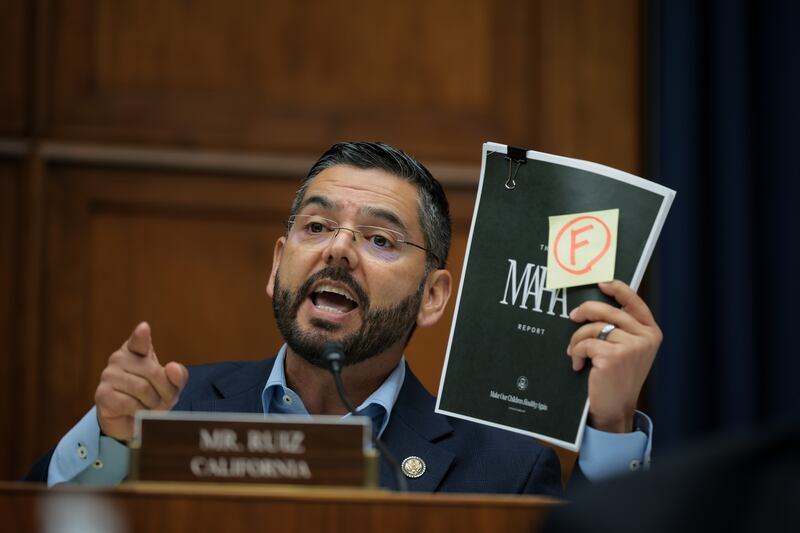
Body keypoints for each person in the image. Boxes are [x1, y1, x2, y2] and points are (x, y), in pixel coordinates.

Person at [24, 142, 661, 494]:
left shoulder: (502, 469)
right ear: (279, 266)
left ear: (433, 297)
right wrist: (108, 441)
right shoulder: (169, 414)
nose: (338, 249)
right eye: (318, 226)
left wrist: (609, 428)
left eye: (381, 240)